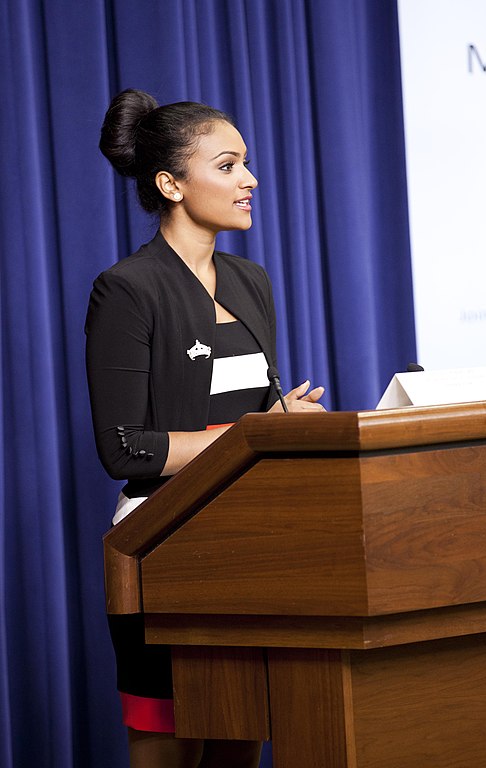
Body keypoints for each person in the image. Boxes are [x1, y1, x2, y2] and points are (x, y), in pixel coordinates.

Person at [85, 88, 325, 768]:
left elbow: (249, 417)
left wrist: (282, 425)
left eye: (246, 163)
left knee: (240, 735)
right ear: (170, 184)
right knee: (170, 744)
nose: (249, 180)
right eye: (227, 165)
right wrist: (257, 433)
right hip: (161, 545)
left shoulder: (251, 279)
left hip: (250, 544)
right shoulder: (128, 287)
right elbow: (124, 446)